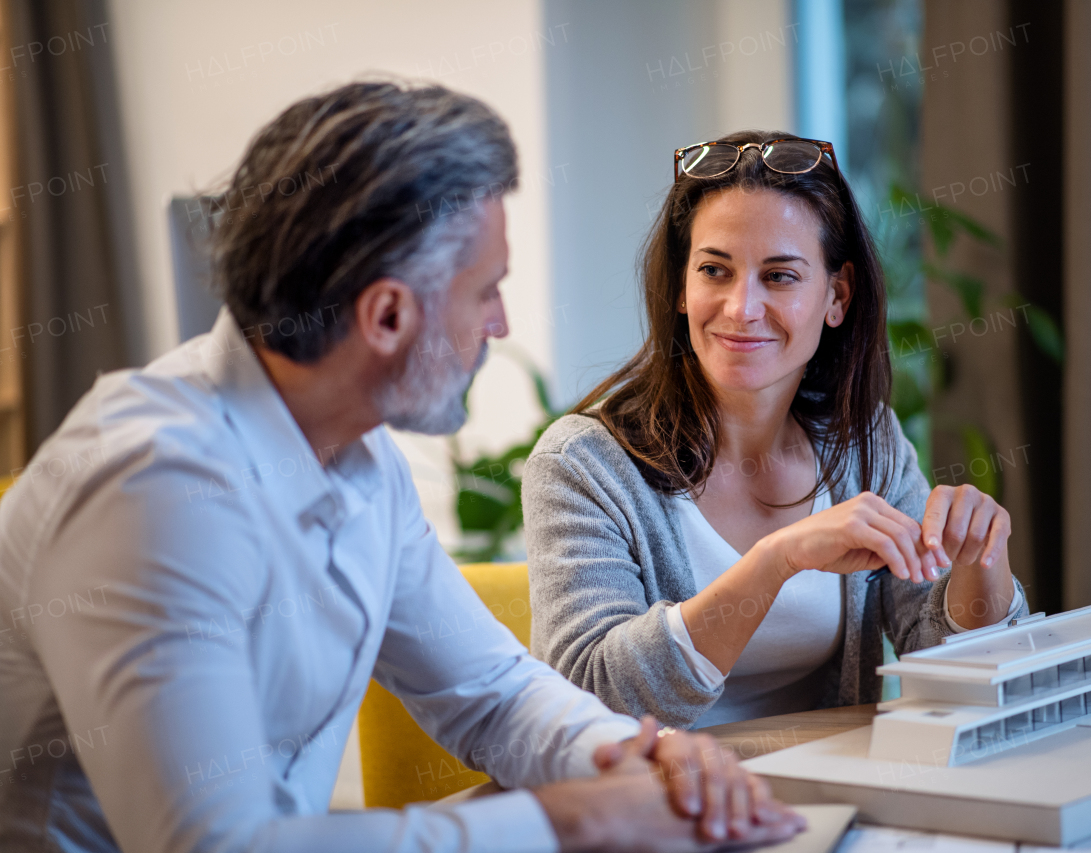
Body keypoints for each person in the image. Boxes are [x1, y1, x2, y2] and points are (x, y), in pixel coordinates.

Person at [0, 85, 805, 853]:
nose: (501, 322)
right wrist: (571, 823)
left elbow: (488, 690)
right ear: (386, 315)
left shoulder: (356, 453)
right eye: (485, 291)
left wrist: (634, 757)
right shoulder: (154, 493)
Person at [524, 132, 1030, 730]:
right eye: (714, 270)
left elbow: (947, 657)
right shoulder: (582, 466)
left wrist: (981, 560)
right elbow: (589, 695)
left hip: (830, 799)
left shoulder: (863, 443)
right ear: (681, 290)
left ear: (836, 296)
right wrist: (777, 560)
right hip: (655, 807)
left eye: (780, 276)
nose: (741, 307)